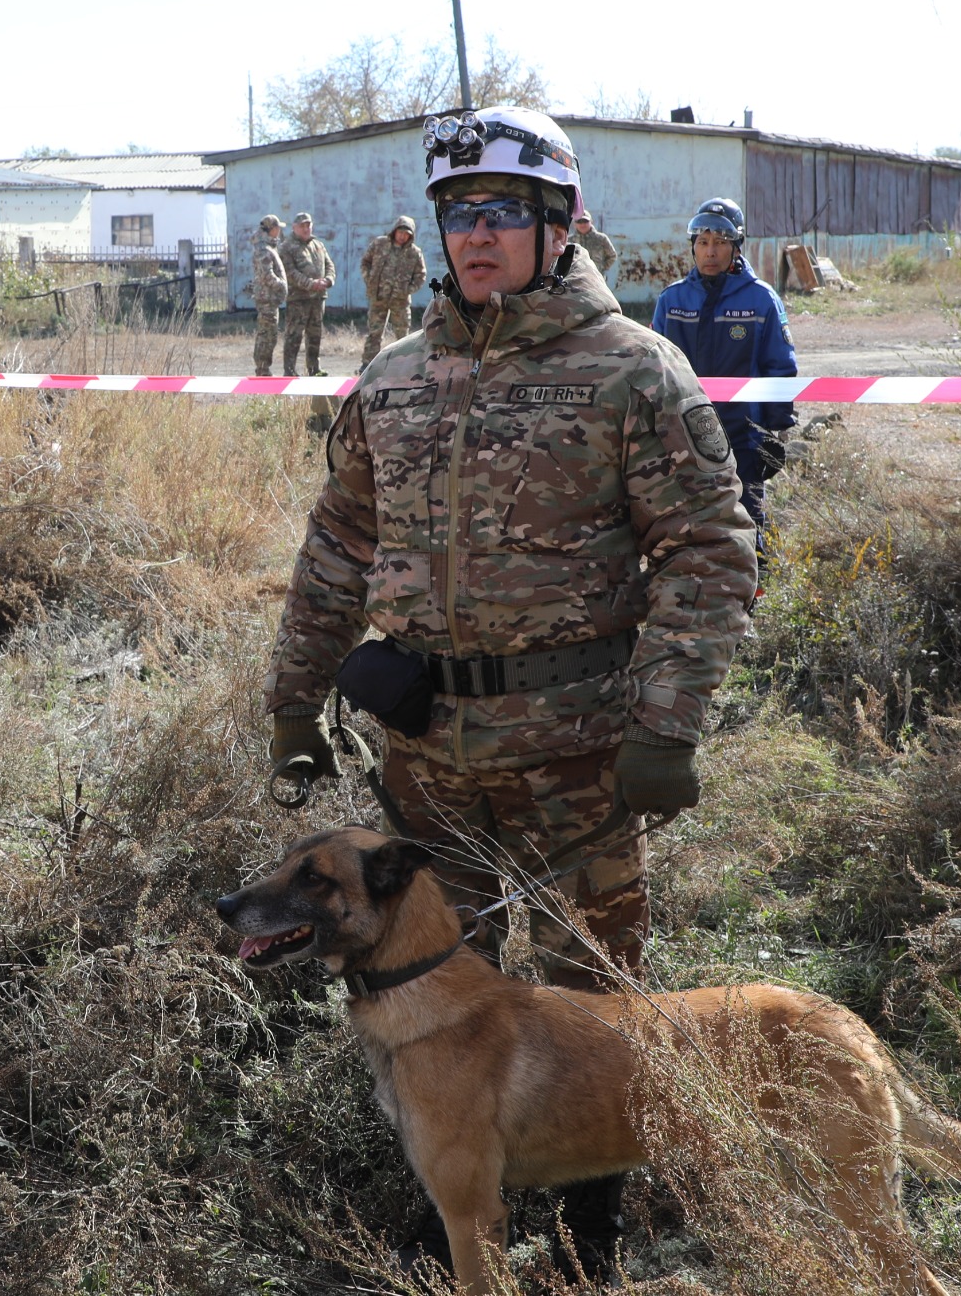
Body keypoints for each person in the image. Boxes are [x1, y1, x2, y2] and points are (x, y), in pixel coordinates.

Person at [262, 105, 756, 1274]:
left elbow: (707, 549)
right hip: (428, 764)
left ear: (557, 221)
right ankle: (458, 1215)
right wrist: (291, 703)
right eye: (456, 214)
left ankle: (590, 1235)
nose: (474, 236)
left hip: (581, 764)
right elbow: (334, 549)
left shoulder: (632, 369)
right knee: (430, 997)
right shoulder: (393, 378)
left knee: (596, 1006)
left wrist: (665, 724)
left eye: (499, 213)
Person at [650, 198, 798, 531]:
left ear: (736, 246)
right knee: (682, 524)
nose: (710, 252)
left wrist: (776, 429)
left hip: (743, 437)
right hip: (682, 437)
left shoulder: (761, 299)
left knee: (746, 522)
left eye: (719, 242)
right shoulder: (671, 300)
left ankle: (756, 583)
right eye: (702, 243)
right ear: (693, 247)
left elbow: (780, 366)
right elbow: (653, 368)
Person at [358, 214, 428, 363]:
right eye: (400, 232)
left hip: (400, 301)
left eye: (406, 234)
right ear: (395, 230)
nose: (402, 236)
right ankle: (368, 365)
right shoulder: (379, 244)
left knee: (403, 337)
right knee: (374, 334)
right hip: (378, 298)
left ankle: (405, 367)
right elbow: (365, 262)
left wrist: (408, 289)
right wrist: (369, 280)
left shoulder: (414, 253)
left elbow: (421, 275)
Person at [280, 210, 336, 375]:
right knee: (293, 336)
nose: (306, 229)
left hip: (318, 299)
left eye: (308, 225)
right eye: (302, 226)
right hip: (298, 299)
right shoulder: (286, 247)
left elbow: (329, 265)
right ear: (294, 227)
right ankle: (289, 371)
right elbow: (289, 272)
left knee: (315, 335)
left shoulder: (318, 245)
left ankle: (314, 369)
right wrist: (311, 284)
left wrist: (328, 280)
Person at [250, 213, 289, 376]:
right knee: (267, 334)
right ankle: (262, 368)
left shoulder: (268, 247)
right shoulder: (263, 249)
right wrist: (281, 285)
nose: (279, 231)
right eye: (278, 227)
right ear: (272, 229)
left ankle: (264, 367)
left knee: (269, 333)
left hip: (271, 299)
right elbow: (267, 275)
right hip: (267, 299)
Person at [571, 209, 617, 285]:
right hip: (576, 280)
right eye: (579, 222)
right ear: (575, 224)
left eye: (585, 221)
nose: (582, 224)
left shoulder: (601, 239)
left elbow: (612, 256)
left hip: (597, 279)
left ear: (591, 222)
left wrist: (602, 267)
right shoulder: (570, 240)